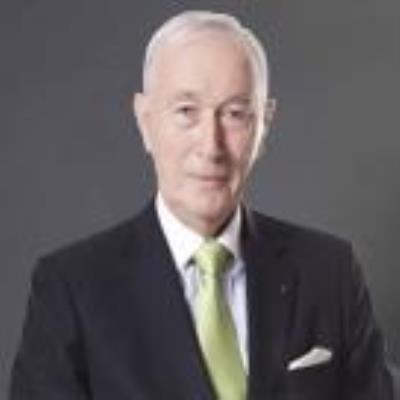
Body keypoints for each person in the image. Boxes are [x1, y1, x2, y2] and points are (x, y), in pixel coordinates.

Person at [10, 10, 394, 400]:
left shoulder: (329, 273)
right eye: (186, 112)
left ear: (264, 125)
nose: (211, 146)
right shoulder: (71, 289)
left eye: (235, 114)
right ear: (145, 121)